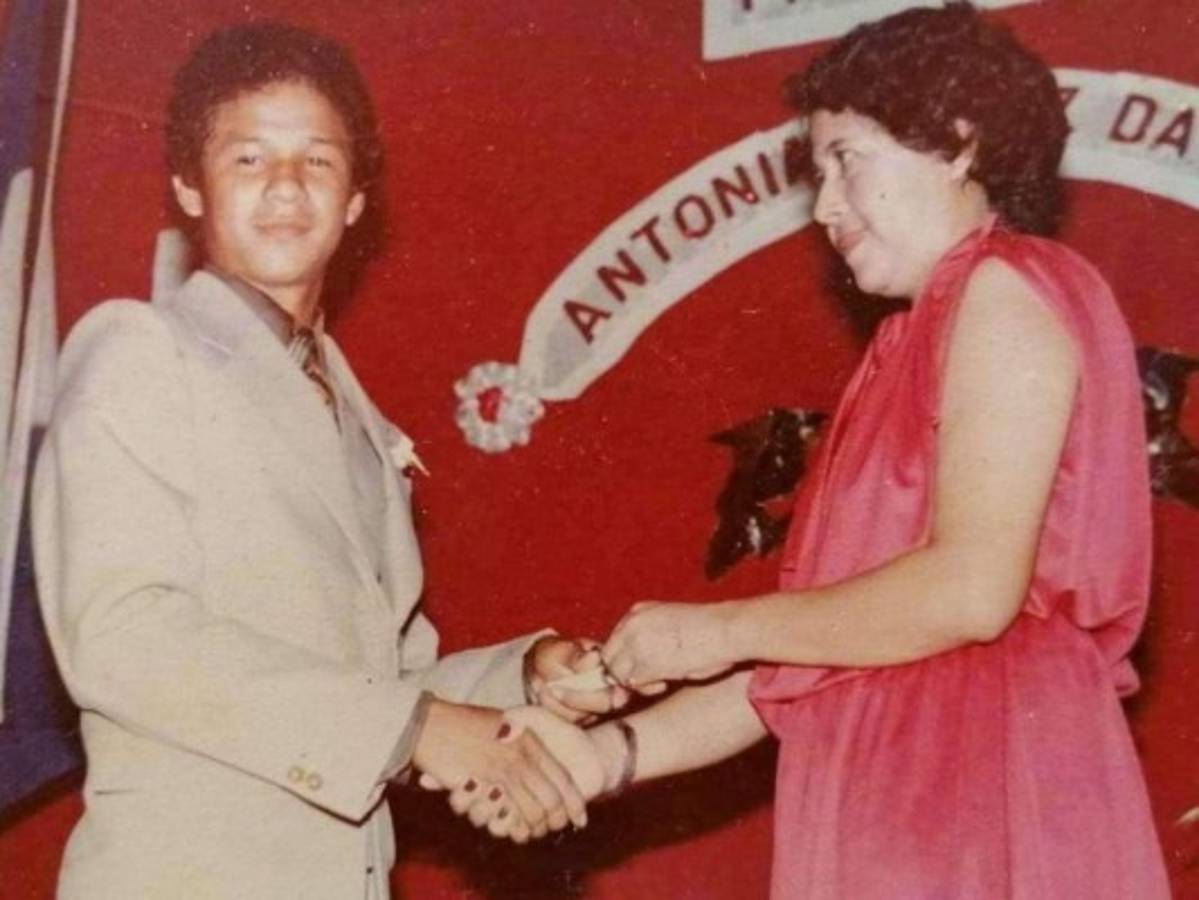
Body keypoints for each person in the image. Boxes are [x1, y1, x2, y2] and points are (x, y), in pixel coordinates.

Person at [451, 5, 1172, 897]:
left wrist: (716, 629)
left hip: (976, 796)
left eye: (846, 160)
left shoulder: (1002, 288)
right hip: (901, 794)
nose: (823, 206)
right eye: (816, 172)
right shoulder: (909, 340)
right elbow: (821, 648)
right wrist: (599, 757)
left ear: (958, 143)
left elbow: (970, 591)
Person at [32, 22, 623, 900]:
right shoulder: (141, 349)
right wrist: (418, 727)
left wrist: (522, 676)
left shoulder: (355, 415)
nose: (285, 186)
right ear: (188, 186)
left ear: (354, 199)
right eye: (247, 158)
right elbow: (122, 636)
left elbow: (383, 683)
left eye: (317, 159)